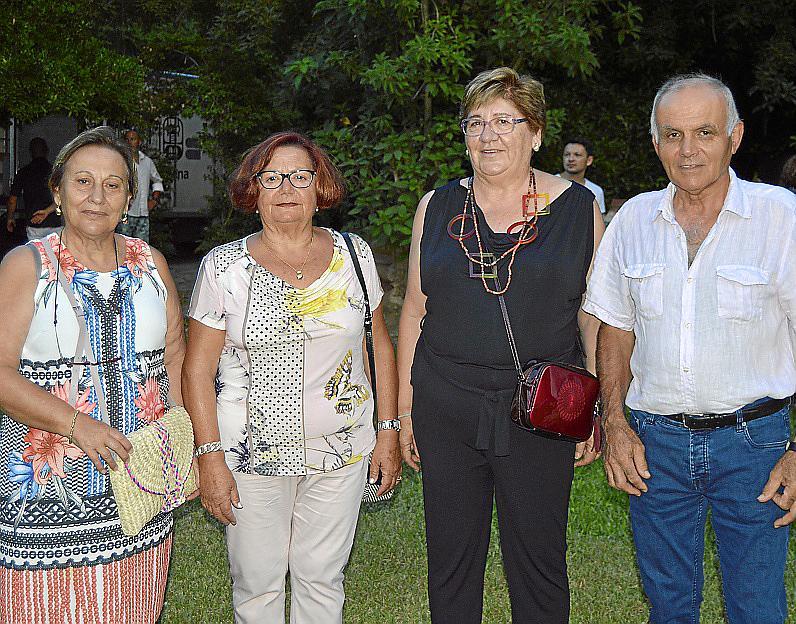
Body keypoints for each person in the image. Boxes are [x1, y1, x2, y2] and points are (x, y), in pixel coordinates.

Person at [583, 74, 796, 624]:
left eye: (705, 132)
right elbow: (615, 330)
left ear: (735, 137)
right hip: (655, 448)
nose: (689, 149)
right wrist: (616, 425)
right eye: (673, 134)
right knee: (668, 606)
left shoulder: (782, 217)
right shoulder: (632, 221)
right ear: (655, 144)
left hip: (757, 448)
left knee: (757, 608)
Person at [397, 67, 604, 624]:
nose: (488, 135)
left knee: (538, 562)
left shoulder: (580, 211)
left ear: (535, 134)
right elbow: (415, 309)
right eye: (476, 122)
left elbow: (593, 314)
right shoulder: (435, 207)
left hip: (540, 409)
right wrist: (404, 411)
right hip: (446, 404)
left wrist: (595, 408)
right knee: (451, 560)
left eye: (505, 122)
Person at [182, 131, 401, 623]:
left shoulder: (354, 256)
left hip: (342, 449)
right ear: (253, 190)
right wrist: (208, 455)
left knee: (322, 576)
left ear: (318, 188)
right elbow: (197, 369)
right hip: (248, 454)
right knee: (257, 582)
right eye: (272, 177)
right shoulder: (224, 268)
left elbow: (378, 347)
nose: (287, 188)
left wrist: (388, 431)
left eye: (300, 177)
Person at [0, 127, 186, 623]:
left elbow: (174, 354)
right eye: (82, 182)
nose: (97, 196)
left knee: (134, 608)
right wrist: (76, 424)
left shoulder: (153, 265)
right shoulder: (26, 265)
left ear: (130, 199)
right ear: (57, 192)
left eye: (113, 184)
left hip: (138, 488)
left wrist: (180, 448)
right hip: (45, 494)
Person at [6, 137, 61, 240]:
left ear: (31, 152)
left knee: (36, 254)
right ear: (46, 151)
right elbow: (62, 196)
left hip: (34, 224)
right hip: (56, 223)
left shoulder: (24, 172)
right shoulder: (55, 172)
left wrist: (10, 218)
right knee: (55, 254)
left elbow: (12, 200)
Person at [116, 129, 163, 243]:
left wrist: (154, 200)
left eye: (133, 139)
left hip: (143, 213)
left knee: (141, 248)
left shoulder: (147, 161)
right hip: (125, 213)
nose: (130, 142)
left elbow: (157, 180)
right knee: (123, 246)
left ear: (139, 141)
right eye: (127, 139)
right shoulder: (120, 160)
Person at [559, 137, 606, 214]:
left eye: (577, 155)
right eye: (567, 154)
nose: (571, 159)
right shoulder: (549, 183)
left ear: (589, 160)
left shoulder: (596, 191)